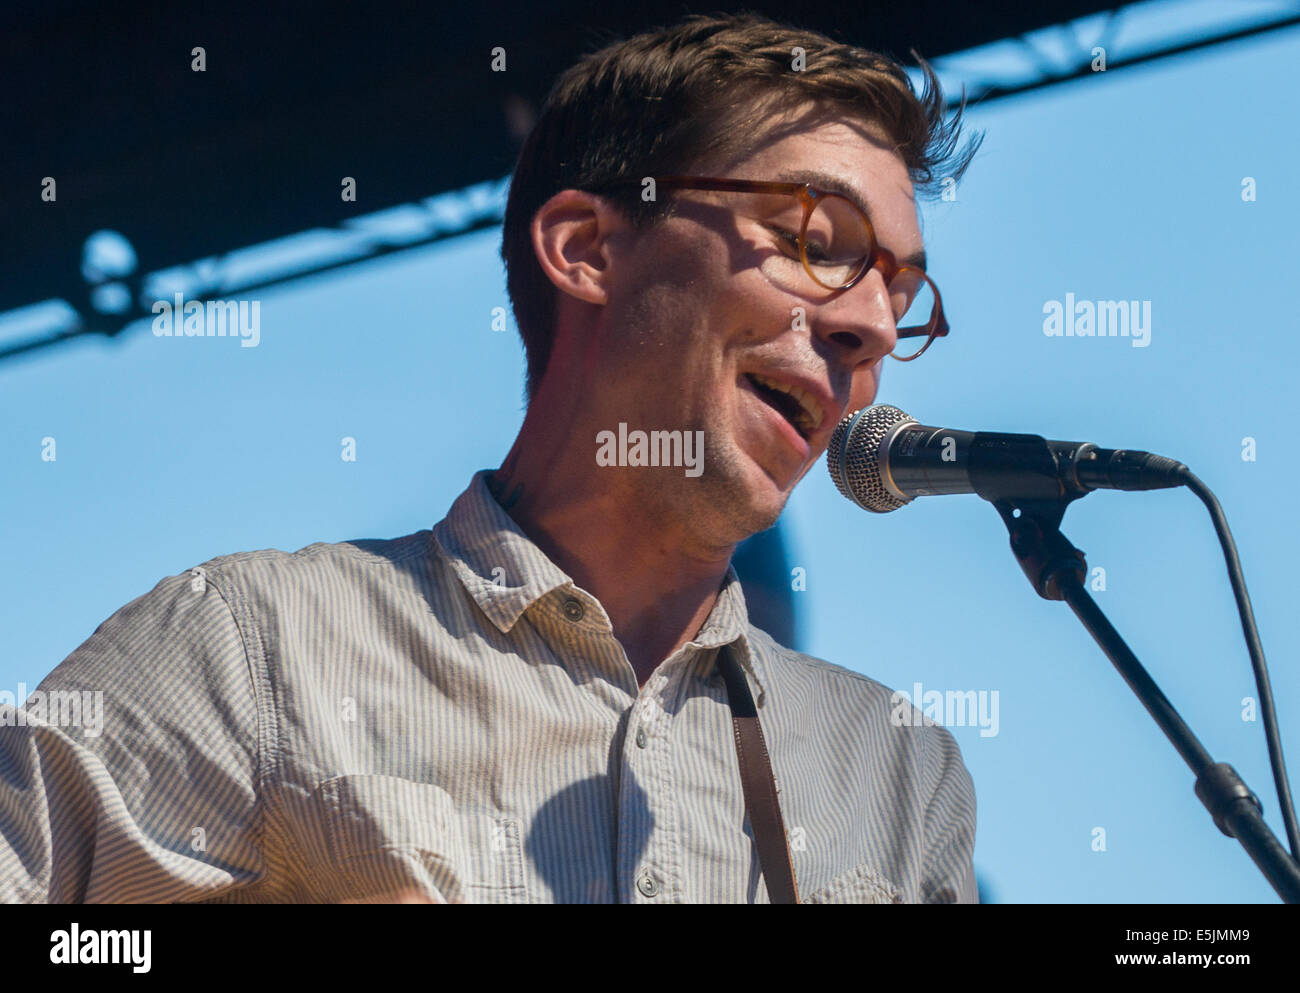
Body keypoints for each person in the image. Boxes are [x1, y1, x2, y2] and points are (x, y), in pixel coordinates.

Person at [0, 12, 982, 904]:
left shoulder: (897, 774)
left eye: (901, 299)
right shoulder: (253, 650)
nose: (871, 329)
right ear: (587, 249)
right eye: (816, 241)